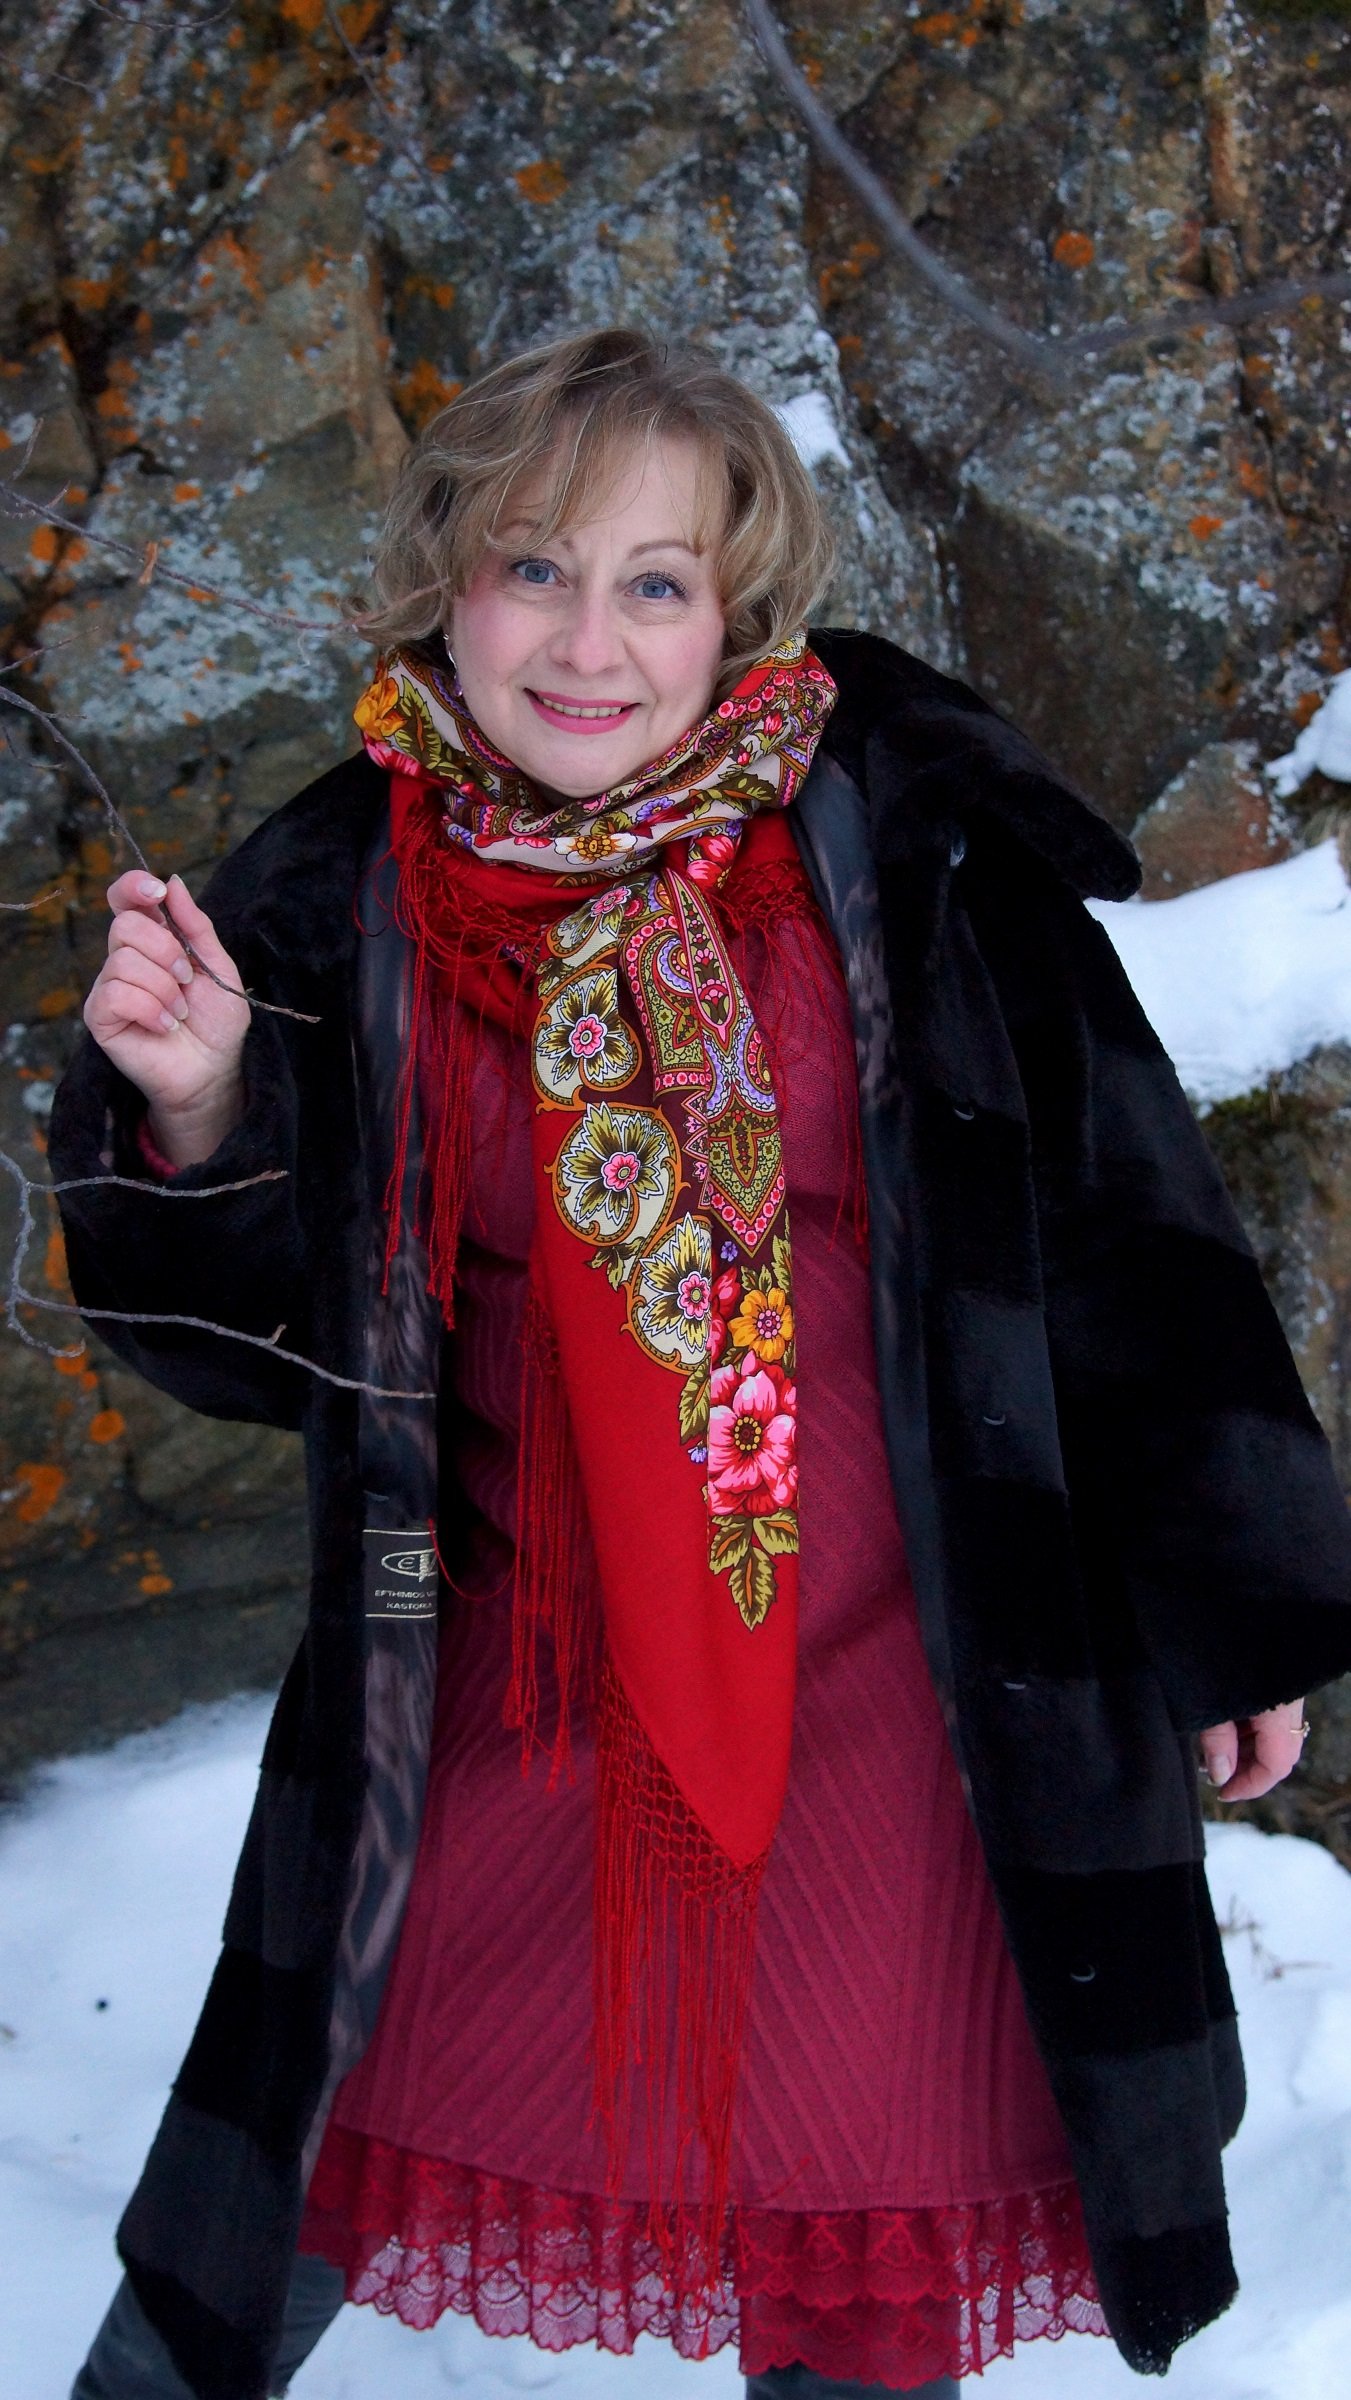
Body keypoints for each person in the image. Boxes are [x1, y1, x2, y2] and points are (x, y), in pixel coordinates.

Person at [52, 328, 1351, 2400]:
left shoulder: (911, 841)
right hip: (503, 1677)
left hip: (907, 1676)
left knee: (858, 2210)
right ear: (446, 585)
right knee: (293, 2169)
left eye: (654, 583)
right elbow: (251, 1353)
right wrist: (202, 1115)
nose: (591, 644)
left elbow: (1133, 1237)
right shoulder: (328, 902)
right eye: (535, 568)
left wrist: (1232, 1604)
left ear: (737, 613)